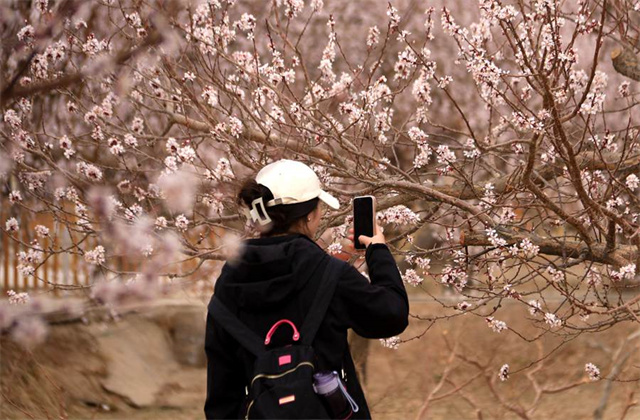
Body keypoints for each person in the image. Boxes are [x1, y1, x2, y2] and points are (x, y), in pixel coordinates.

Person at [204, 159, 409, 419]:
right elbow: (391, 314)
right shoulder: (329, 274)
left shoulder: (228, 284)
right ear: (310, 215)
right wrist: (377, 251)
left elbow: (221, 395)